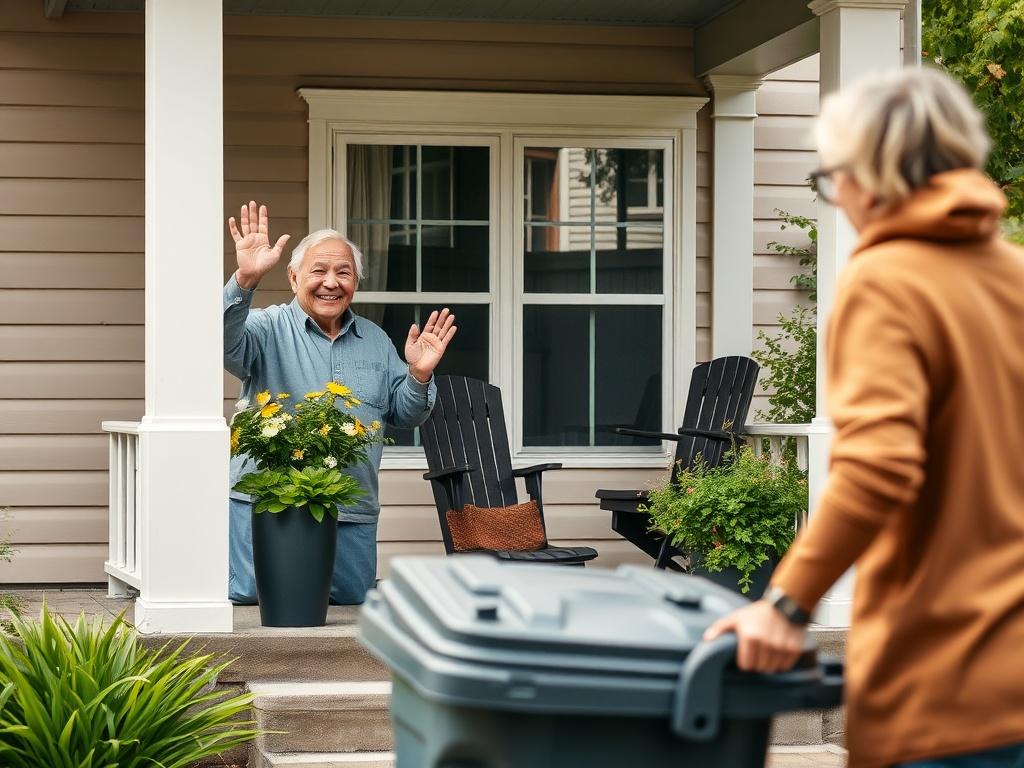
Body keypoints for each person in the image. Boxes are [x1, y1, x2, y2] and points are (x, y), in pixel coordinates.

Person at [704, 68, 1024, 768]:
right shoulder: (1014, 276)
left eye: (831, 178)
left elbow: (880, 466)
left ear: (869, 174)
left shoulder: (888, 280)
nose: (837, 199)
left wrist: (785, 605)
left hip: (948, 686)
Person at [224, 201, 456, 605]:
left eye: (343, 272)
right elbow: (221, 341)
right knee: (257, 599)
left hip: (350, 509)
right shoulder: (265, 327)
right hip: (271, 508)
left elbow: (406, 414)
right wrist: (244, 280)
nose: (331, 282)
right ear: (294, 276)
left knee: (350, 602)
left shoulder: (377, 341)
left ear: (356, 283)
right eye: (319, 270)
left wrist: (419, 374)